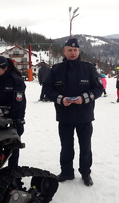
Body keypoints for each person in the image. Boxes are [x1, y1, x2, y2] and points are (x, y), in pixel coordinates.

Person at [43, 38, 103, 187]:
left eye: (75, 50)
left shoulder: (88, 68)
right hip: (64, 116)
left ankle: (85, 173)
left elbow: (98, 89)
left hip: (84, 116)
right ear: (64, 51)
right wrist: (60, 99)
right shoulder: (56, 70)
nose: (73, 53)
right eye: (69, 50)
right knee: (66, 147)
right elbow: (48, 89)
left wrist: (84, 98)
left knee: (85, 147)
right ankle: (67, 172)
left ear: (79, 51)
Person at [0, 55, 26, 167]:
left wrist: (2, 111)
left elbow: (18, 103)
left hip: (14, 118)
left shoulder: (16, 80)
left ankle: (12, 170)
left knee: (12, 146)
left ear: (5, 68)